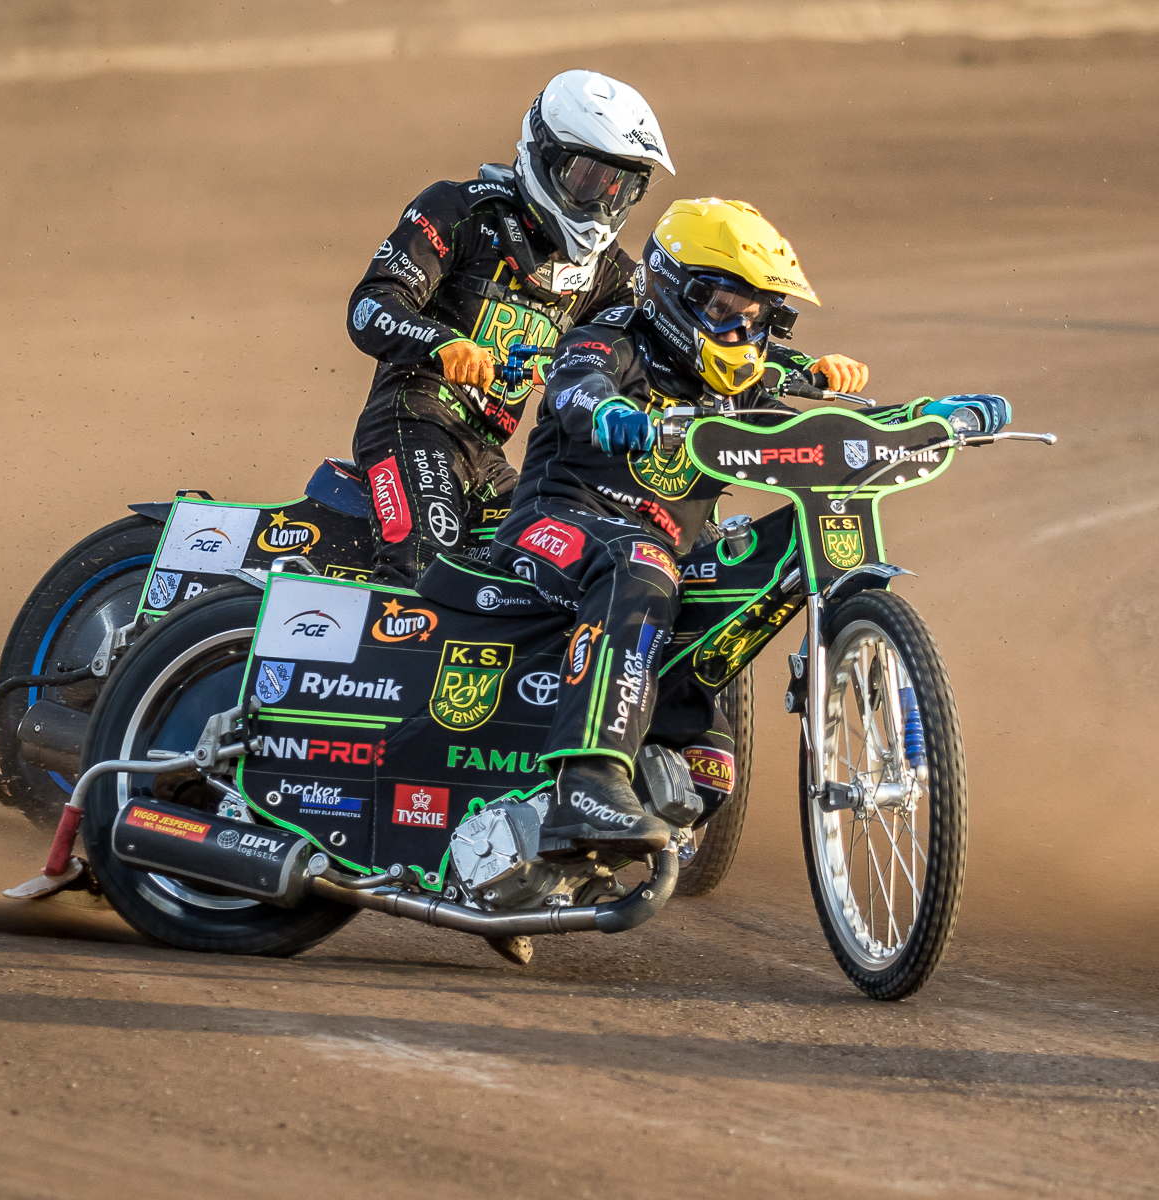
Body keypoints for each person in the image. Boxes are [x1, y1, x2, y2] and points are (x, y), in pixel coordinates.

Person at [491, 197, 869, 852]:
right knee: (640, 560)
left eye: (754, 316)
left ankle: (627, 784)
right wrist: (611, 414)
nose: (738, 330)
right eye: (722, 309)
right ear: (670, 290)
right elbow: (577, 384)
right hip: (555, 528)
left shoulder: (738, 380)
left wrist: (924, 419)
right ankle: (586, 782)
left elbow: (795, 424)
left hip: (657, 561)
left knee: (710, 776)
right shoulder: (609, 335)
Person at [346, 70, 673, 585]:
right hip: (414, 421)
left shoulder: (611, 273)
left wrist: (785, 369)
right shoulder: (461, 212)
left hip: (488, 453)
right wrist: (441, 342)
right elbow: (369, 306)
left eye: (620, 187)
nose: (602, 204)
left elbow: (664, 347)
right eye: (587, 179)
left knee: (539, 565)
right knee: (424, 560)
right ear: (542, 153)